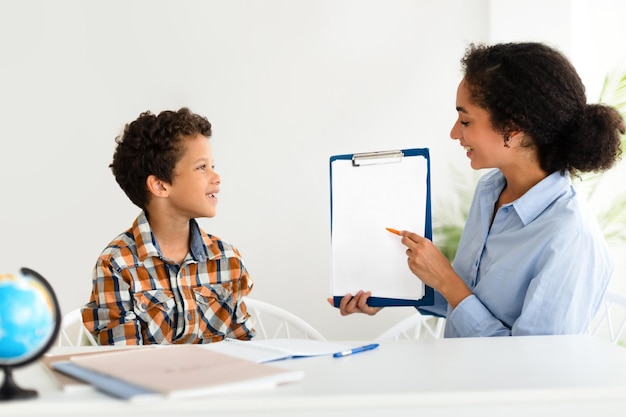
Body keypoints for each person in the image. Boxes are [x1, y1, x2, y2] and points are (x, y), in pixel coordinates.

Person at [329, 42, 625, 337]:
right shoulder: (490, 191)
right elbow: (470, 300)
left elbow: (534, 367)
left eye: (466, 120)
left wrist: (447, 280)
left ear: (513, 127)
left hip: (498, 384)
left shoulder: (570, 236)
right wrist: (391, 293)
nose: (454, 133)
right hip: (461, 374)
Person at [82, 108, 255, 345]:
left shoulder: (228, 260)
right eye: (201, 167)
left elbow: (247, 351)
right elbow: (123, 364)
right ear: (160, 186)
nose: (217, 177)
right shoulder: (117, 266)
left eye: (212, 165)